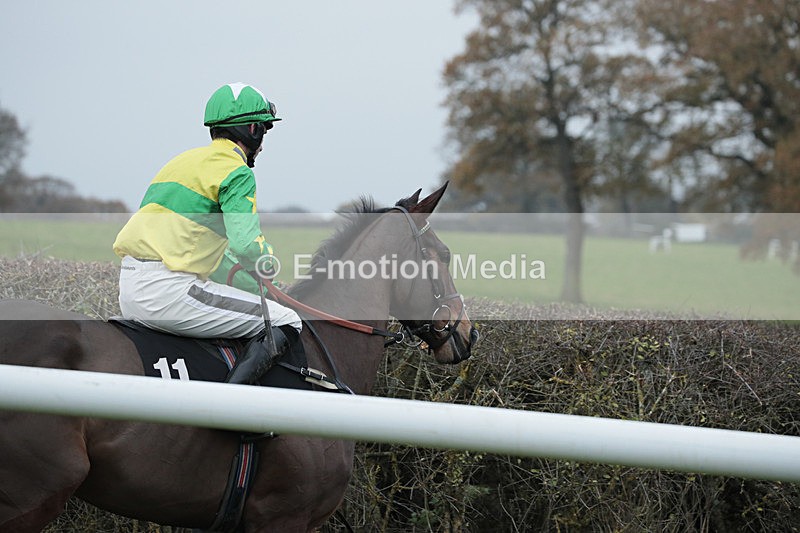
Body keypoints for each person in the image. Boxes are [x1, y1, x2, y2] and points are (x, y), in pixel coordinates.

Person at [113, 82, 301, 385]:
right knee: (286, 320)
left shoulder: (181, 162)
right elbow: (246, 246)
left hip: (130, 289)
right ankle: (228, 405)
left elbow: (221, 261)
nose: (263, 145)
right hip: (170, 294)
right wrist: (268, 266)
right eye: (264, 132)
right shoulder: (237, 172)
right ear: (253, 130)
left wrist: (262, 289)